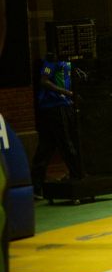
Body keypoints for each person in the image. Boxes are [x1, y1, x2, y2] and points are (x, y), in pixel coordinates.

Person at [32, 54, 85, 194]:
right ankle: (78, 177)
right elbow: (43, 81)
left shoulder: (69, 60)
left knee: (46, 146)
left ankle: (36, 187)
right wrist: (67, 94)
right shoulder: (53, 58)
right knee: (69, 142)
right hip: (56, 106)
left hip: (60, 104)